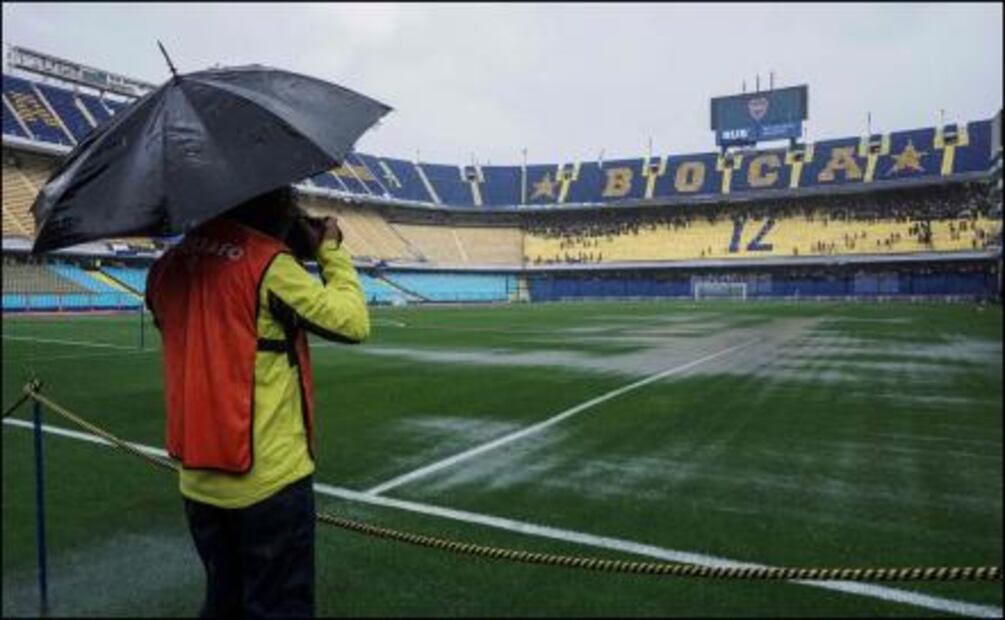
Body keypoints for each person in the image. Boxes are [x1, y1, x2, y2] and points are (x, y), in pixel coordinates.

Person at [145, 185, 369, 618]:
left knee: (222, 601)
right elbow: (353, 322)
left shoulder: (168, 266)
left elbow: (174, 315)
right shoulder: (267, 263)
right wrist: (330, 252)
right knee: (279, 606)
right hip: (268, 481)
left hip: (197, 478)